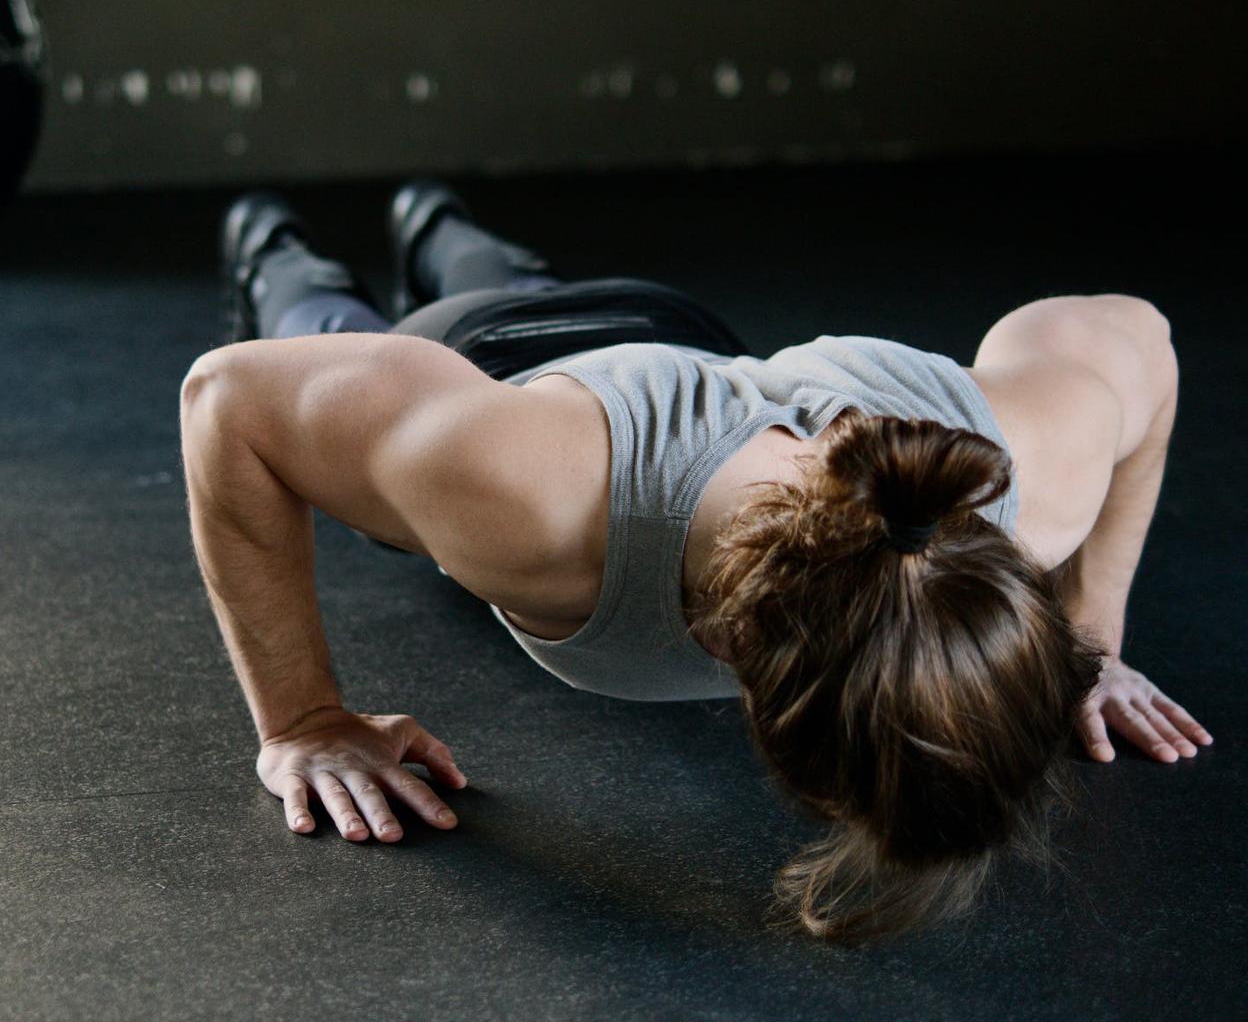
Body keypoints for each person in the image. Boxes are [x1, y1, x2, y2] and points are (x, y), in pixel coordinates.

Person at [180, 181, 1212, 946]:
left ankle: (436, 219)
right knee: (328, 335)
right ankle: (279, 246)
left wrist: (1087, 642)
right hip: (488, 364)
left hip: (669, 338)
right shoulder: (521, 506)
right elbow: (230, 402)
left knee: (534, 284)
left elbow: (1143, 339)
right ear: (729, 653)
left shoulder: (1033, 476)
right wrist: (304, 722)